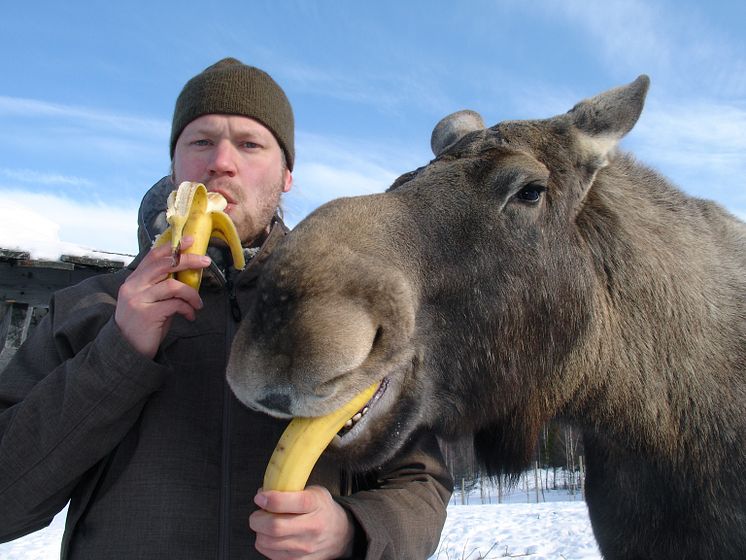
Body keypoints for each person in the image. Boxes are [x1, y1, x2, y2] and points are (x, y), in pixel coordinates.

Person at [0, 58, 452, 559]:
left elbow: (421, 481)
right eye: (200, 141)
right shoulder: (90, 306)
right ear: (175, 167)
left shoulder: (347, 306)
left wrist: (353, 529)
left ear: (286, 177)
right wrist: (118, 352)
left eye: (250, 144)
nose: (221, 161)